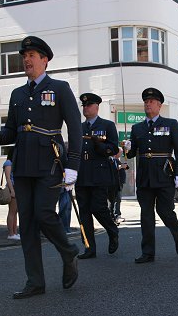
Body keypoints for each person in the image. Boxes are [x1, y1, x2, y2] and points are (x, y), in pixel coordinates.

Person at [0, 36, 81, 299]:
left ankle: (68, 251)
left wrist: (73, 165)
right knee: (29, 223)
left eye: (32, 55)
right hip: (22, 163)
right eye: (25, 56)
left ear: (45, 60)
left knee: (44, 213)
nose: (27, 60)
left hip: (50, 162)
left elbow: (76, 128)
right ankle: (35, 281)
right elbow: (11, 131)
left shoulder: (60, 88)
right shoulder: (17, 94)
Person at [123, 87, 178, 263]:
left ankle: (177, 237)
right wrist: (127, 149)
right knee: (146, 215)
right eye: (145, 102)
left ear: (159, 105)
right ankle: (148, 252)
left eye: (151, 101)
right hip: (145, 176)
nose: (147, 104)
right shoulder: (137, 128)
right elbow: (131, 154)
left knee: (165, 211)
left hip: (164, 174)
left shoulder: (170, 124)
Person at [75, 93, 120, 259]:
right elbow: (73, 150)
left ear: (96, 107)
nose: (85, 108)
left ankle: (112, 230)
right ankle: (89, 247)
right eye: (84, 106)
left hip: (99, 174)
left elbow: (113, 149)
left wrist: (99, 145)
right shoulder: (79, 127)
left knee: (98, 208)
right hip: (82, 174)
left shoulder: (107, 125)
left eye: (89, 105)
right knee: (84, 212)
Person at [108, 147, 128, 223]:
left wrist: (125, 166)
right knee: (114, 199)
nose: (121, 154)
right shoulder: (111, 159)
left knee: (117, 199)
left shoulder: (117, 160)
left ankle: (116, 215)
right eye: (120, 152)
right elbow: (113, 168)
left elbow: (123, 168)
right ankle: (114, 215)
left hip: (119, 182)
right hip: (114, 183)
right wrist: (120, 166)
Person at [4, 147, 20, 240]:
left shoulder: (14, 163)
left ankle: (15, 232)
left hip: (17, 188)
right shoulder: (8, 163)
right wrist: (12, 190)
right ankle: (11, 234)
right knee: (12, 212)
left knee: (15, 212)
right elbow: (8, 178)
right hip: (12, 189)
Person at [58, 142, 72, 234]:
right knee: (64, 206)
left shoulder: (69, 158)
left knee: (67, 206)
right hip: (60, 183)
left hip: (67, 184)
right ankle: (62, 227)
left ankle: (66, 227)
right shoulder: (61, 158)